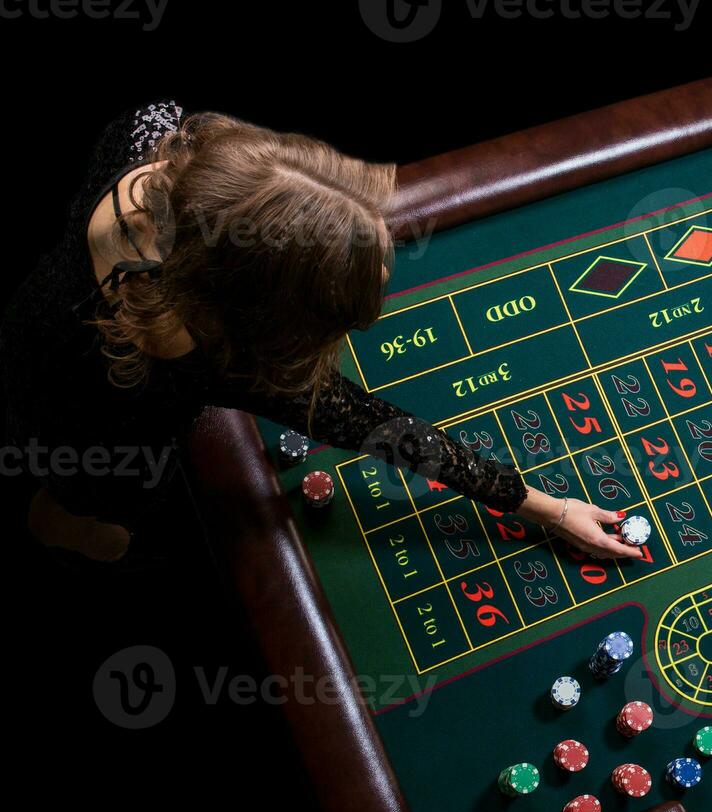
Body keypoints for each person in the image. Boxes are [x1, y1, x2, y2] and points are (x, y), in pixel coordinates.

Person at [1, 101, 640, 565]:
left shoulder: (155, 132)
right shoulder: (198, 358)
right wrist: (542, 507)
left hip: (38, 302)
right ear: (249, 309)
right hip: (83, 410)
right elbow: (376, 427)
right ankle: (63, 521)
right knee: (104, 509)